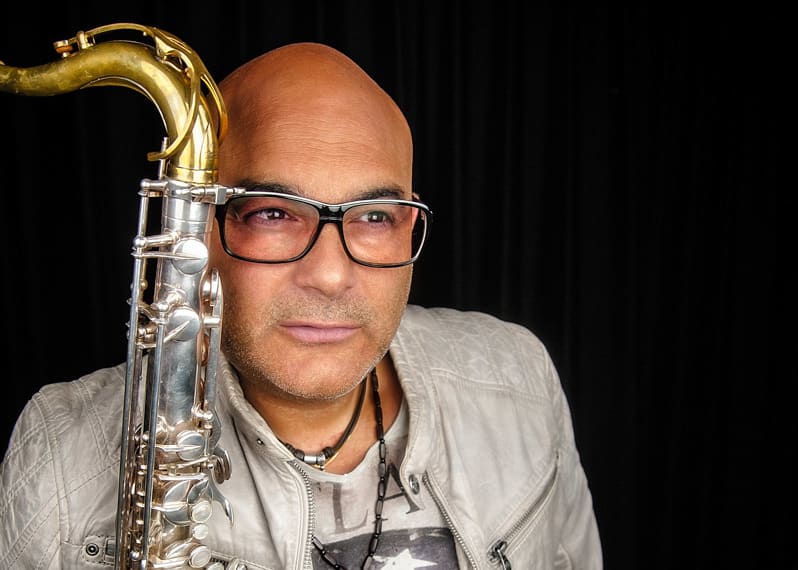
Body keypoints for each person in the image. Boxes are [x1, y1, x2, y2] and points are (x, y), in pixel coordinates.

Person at [0, 42, 602, 569]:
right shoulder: (62, 456)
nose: (331, 276)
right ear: (196, 232)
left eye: (374, 217)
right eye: (273, 213)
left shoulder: (519, 377)